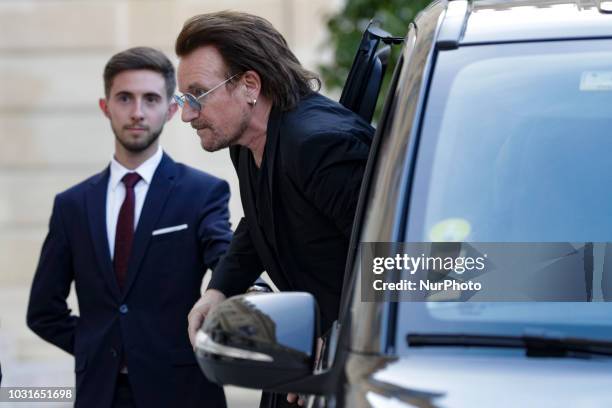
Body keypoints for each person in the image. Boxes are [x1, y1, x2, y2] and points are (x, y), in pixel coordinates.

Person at [174, 11, 374, 407]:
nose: (187, 114)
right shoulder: (249, 142)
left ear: (249, 85)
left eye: (197, 95)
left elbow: (393, 259)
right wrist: (219, 290)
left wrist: (336, 343)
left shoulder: (318, 145)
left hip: (352, 369)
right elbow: (260, 220)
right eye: (184, 98)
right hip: (303, 357)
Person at [27, 47, 230, 408]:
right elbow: (43, 311)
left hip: (182, 390)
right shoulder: (72, 205)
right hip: (100, 394)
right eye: (125, 98)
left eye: (150, 99)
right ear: (106, 107)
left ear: (170, 111)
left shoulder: (203, 193)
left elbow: (228, 264)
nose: (137, 112)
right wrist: (97, 347)